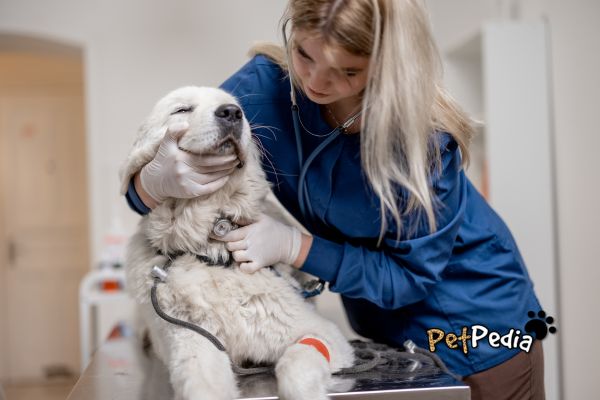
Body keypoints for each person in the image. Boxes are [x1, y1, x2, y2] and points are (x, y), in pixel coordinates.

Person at [124, 1, 545, 399]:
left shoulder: (424, 142)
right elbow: (182, 148)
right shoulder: (263, 89)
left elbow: (410, 278)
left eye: (347, 71)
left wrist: (295, 246)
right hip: (384, 328)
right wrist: (150, 183)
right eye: (305, 55)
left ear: (386, 65)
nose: (316, 82)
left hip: (483, 321)